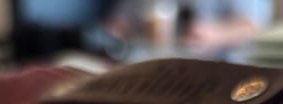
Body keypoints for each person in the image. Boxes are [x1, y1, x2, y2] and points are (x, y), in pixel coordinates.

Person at [106, 0, 272, 53]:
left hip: (213, 66)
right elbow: (120, 23)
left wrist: (215, 35)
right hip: (144, 65)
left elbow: (252, 26)